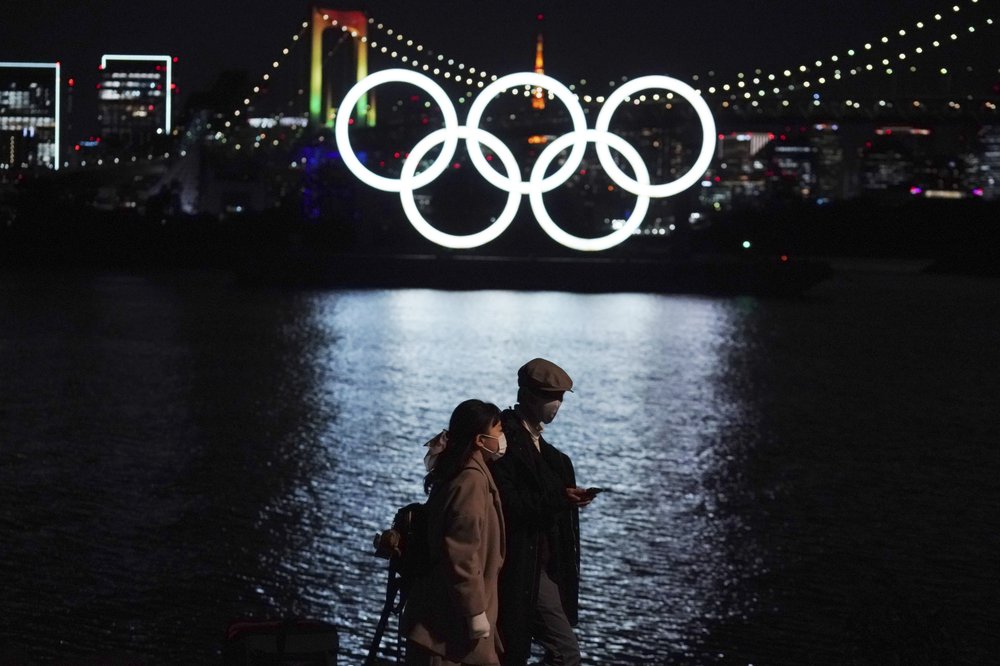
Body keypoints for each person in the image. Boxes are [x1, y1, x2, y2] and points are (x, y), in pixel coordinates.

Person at [489, 358, 594, 666]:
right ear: (530, 396)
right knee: (565, 652)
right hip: (522, 565)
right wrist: (561, 499)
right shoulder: (506, 442)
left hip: (538, 565)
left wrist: (565, 498)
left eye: (561, 397)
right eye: (553, 397)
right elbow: (512, 504)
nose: (558, 404)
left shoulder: (539, 447)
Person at [403, 399, 508, 666]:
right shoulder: (471, 480)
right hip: (448, 631)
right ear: (480, 439)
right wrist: (475, 612)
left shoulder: (459, 470)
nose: (502, 437)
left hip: (445, 623)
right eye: (498, 430)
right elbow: (460, 552)